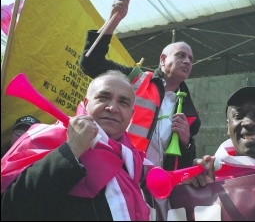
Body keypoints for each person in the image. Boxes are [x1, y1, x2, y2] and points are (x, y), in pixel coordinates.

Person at [1, 70, 150, 221]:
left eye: (123, 102)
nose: (112, 108)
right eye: (103, 97)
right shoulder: (44, 137)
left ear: (131, 115)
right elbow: (9, 208)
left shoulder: (133, 160)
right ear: (86, 103)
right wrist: (70, 149)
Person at [79, 0, 200, 171]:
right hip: (115, 169)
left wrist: (186, 142)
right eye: (181, 55)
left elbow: (185, 162)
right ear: (163, 60)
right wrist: (114, 19)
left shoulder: (190, 114)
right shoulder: (135, 79)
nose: (187, 61)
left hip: (154, 188)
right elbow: (91, 63)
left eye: (191, 58)